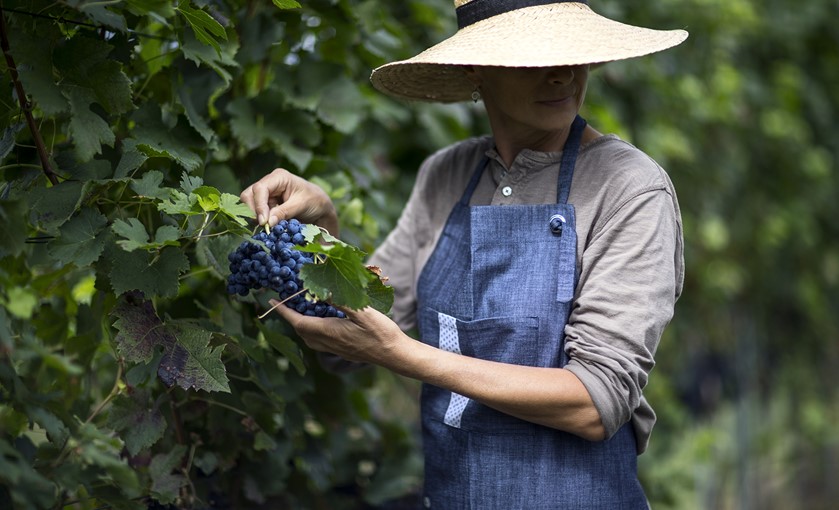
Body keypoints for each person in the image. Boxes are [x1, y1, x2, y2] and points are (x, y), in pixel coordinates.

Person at [240, 1, 687, 508]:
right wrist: (320, 232)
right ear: (476, 67)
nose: (564, 74)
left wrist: (408, 356)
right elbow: (342, 341)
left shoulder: (628, 187)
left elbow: (594, 402)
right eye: (539, 53)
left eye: (576, 52)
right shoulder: (446, 175)